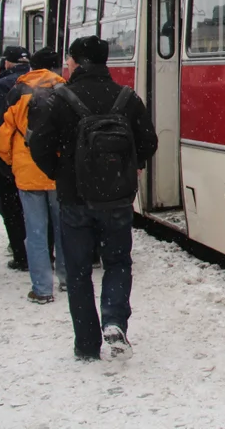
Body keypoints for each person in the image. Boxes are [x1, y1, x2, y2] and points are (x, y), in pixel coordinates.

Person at [28, 36, 157, 361]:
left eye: (69, 59)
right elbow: (149, 142)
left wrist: (61, 172)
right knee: (117, 261)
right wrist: (132, 165)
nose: (66, 64)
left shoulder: (60, 99)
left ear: (77, 61)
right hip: (116, 198)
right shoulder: (126, 98)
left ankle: (86, 344)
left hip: (74, 199)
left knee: (78, 270)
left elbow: (40, 145)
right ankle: (114, 321)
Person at [0, 48, 67, 304]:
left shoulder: (17, 91)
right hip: (57, 172)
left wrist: (13, 162)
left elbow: (4, 136)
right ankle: (67, 279)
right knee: (63, 228)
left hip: (27, 172)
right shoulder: (64, 90)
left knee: (36, 232)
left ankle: (42, 288)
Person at [0, 45, 31, 272]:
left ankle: (20, 252)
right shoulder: (40, 82)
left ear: (6, 63)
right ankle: (38, 248)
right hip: (33, 157)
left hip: (6, 156)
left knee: (8, 204)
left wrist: (0, 157)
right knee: (36, 206)